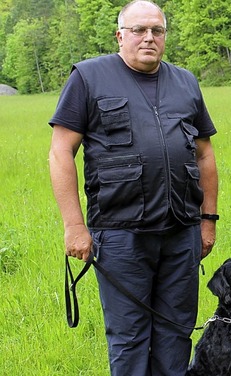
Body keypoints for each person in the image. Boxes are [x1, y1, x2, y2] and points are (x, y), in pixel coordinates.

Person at [48, 1, 218, 374]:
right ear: (120, 35)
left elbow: (204, 155)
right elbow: (61, 152)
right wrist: (75, 226)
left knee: (176, 330)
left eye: (157, 31)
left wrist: (208, 220)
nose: (149, 38)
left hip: (181, 232)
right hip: (121, 234)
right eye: (139, 30)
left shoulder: (185, 82)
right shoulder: (89, 78)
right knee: (129, 336)